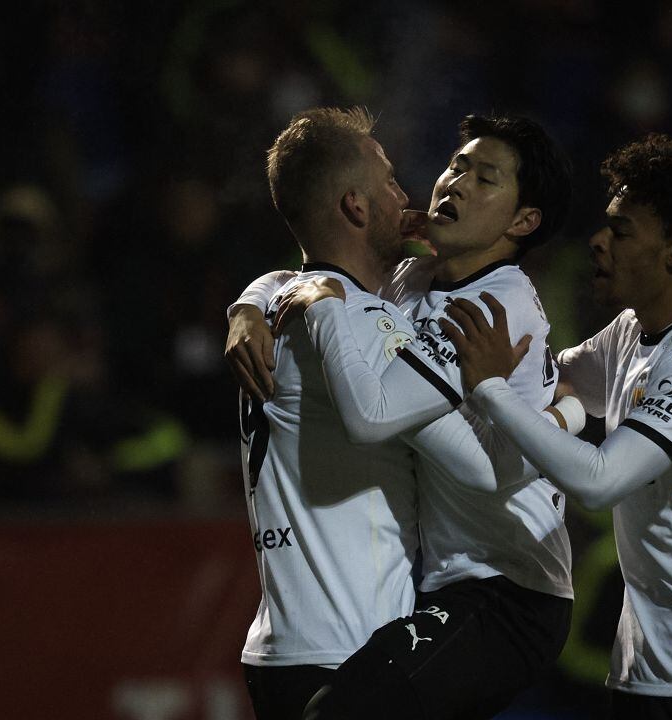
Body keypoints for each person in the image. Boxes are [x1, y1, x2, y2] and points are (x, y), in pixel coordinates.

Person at [228, 114, 577, 720]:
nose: (446, 185)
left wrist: (567, 415)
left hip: (505, 585)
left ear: (523, 221)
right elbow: (332, 280)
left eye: (484, 177)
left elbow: (394, 418)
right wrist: (256, 301)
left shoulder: (487, 308)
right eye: (456, 166)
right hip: (394, 606)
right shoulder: (400, 287)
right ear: (358, 206)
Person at [439, 135, 672, 719]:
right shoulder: (630, 332)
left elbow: (602, 480)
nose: (597, 240)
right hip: (647, 670)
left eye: (621, 230)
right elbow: (548, 380)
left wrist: (491, 390)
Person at [231, 106, 431, 720]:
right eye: (390, 181)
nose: (405, 196)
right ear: (356, 207)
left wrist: (247, 303)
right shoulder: (358, 323)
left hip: (287, 645)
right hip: (348, 649)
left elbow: (276, 286)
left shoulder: (284, 304)